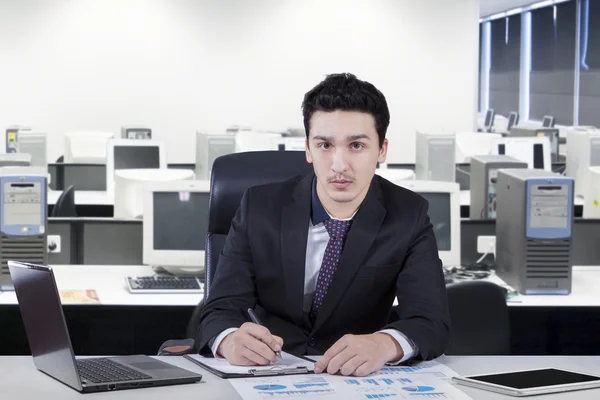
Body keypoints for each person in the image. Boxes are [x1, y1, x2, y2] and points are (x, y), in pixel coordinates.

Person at [197, 73, 450, 377]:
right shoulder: (259, 207)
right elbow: (218, 309)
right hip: (267, 372)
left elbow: (430, 321)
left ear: (382, 150)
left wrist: (384, 345)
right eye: (325, 145)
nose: (339, 165)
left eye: (356, 145)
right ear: (308, 149)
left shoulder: (408, 214)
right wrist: (228, 341)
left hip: (354, 376)